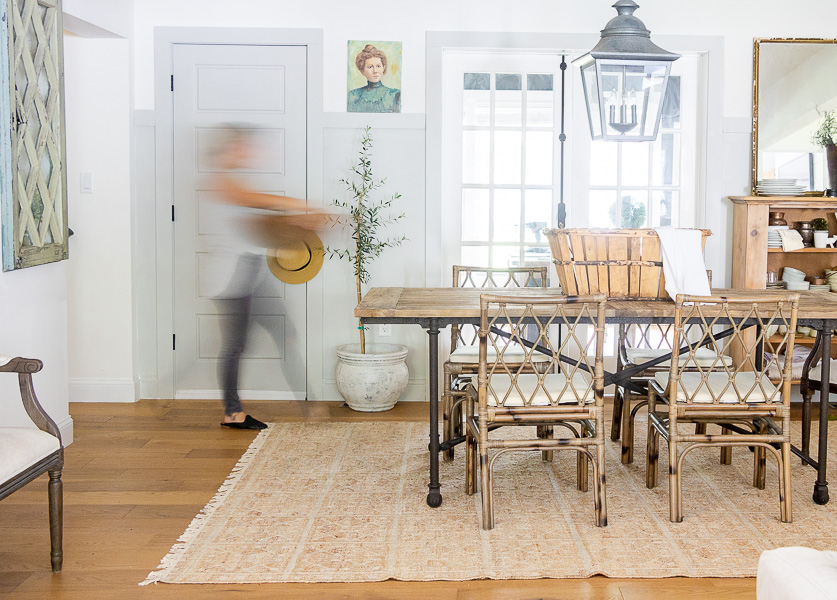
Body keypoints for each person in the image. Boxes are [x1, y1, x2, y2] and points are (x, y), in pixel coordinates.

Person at [207, 125, 324, 430]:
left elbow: (260, 224)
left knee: (287, 333)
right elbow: (254, 200)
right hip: (231, 277)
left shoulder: (236, 182)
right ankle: (233, 413)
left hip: (253, 271)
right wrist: (301, 205)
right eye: (241, 146)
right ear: (227, 149)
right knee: (235, 346)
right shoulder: (222, 182)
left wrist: (301, 224)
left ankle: (310, 406)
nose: (248, 151)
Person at [347, 44, 401, 113]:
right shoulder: (353, 95)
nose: (375, 71)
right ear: (362, 71)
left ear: (383, 68)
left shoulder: (395, 95)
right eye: (370, 67)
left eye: (378, 66)